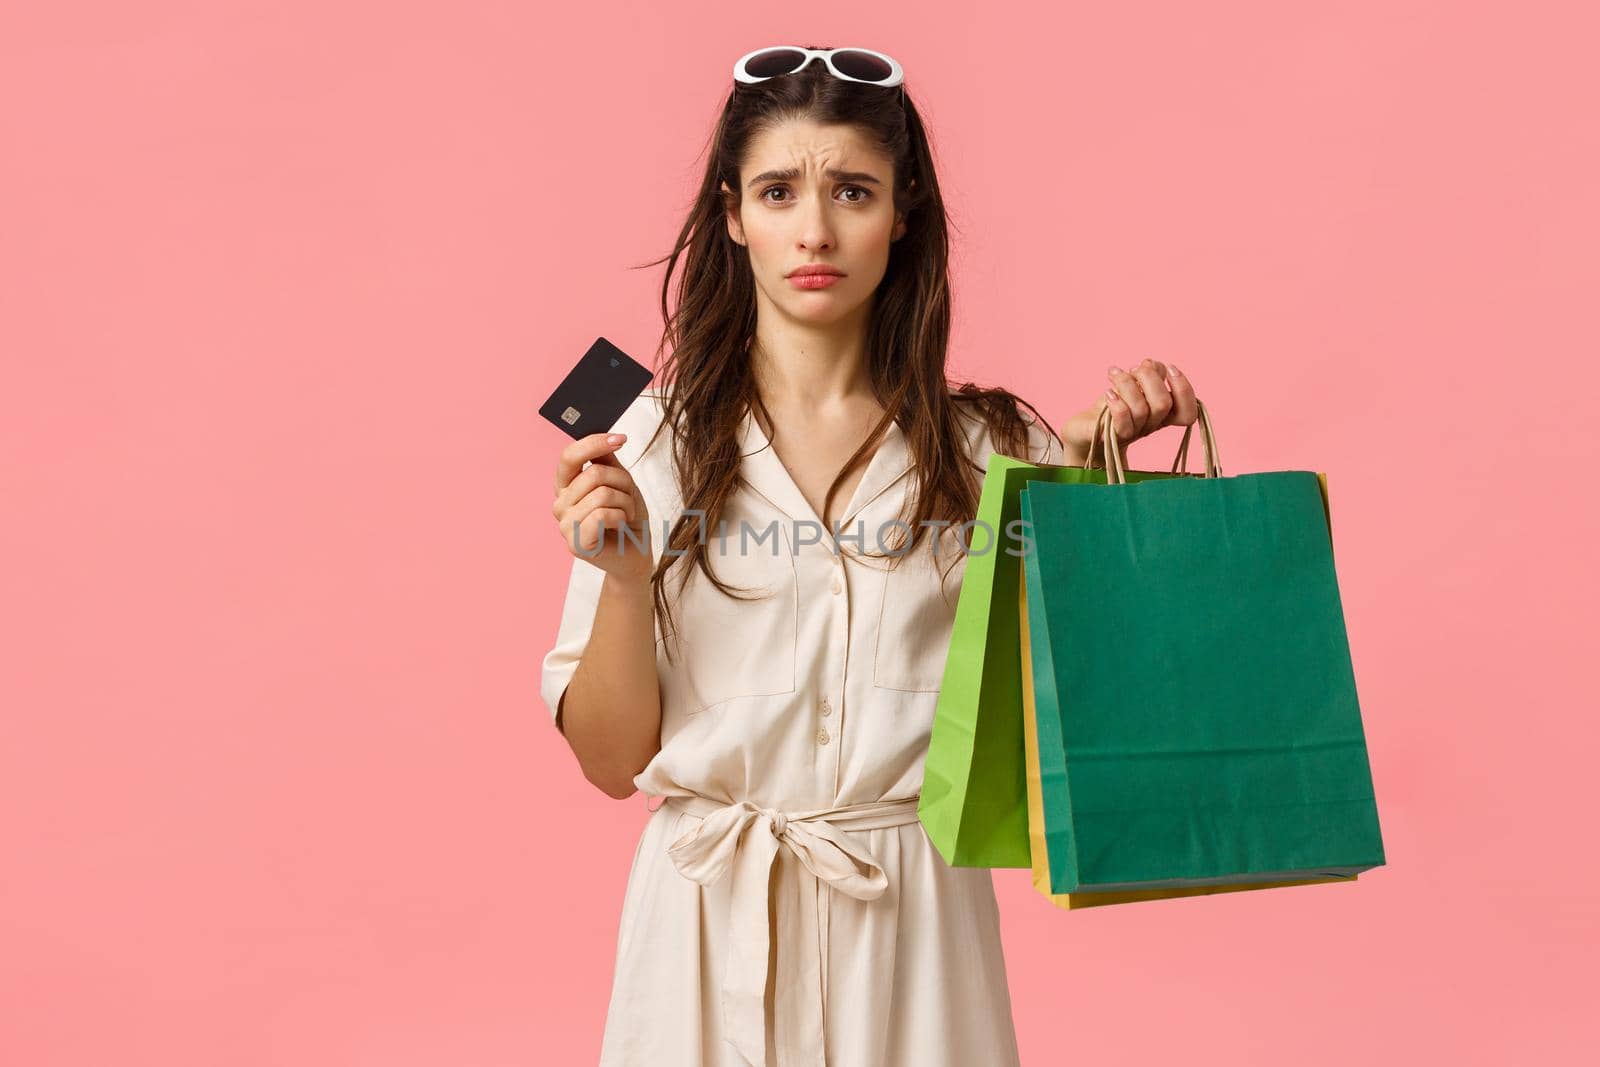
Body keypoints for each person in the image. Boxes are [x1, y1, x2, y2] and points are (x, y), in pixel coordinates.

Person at [540, 44, 1202, 1067]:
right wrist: (626, 575)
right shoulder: (647, 444)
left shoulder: (992, 448)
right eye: (777, 190)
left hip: (916, 923)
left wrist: (1089, 493)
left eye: (852, 189)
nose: (813, 229)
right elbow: (608, 760)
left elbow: (1066, 716)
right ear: (731, 215)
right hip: (704, 918)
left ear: (902, 212)